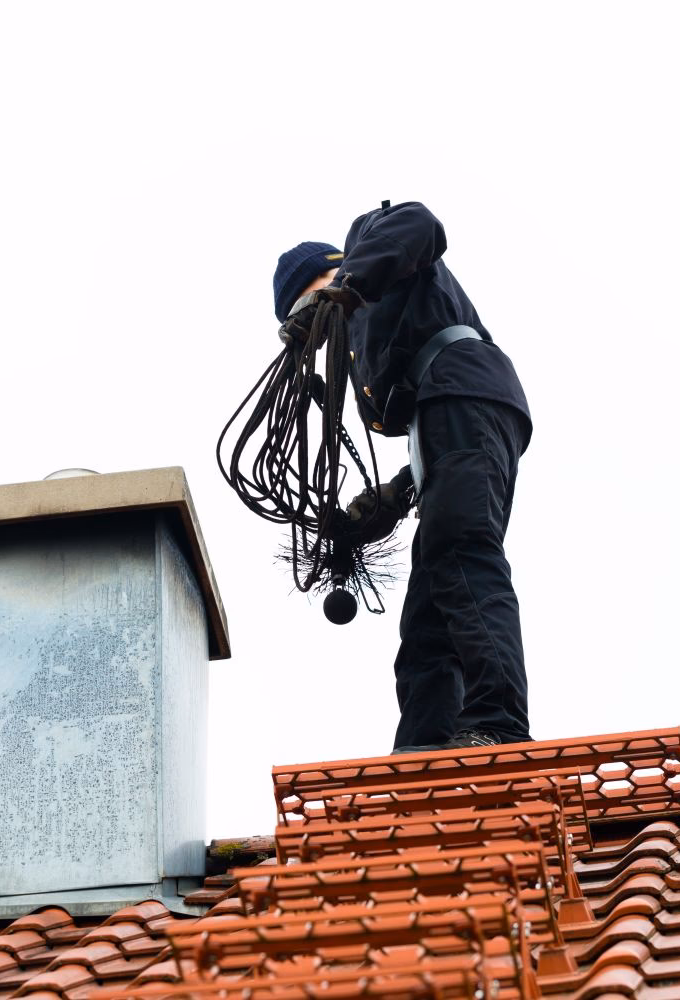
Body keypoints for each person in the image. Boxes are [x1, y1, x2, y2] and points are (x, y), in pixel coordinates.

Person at [272, 201, 532, 752]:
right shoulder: (370, 350)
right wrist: (393, 497)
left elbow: (420, 222)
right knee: (426, 614)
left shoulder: (369, 245)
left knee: (461, 553)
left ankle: (498, 724)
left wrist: (344, 288)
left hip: (465, 388)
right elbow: (431, 431)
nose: (319, 328)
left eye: (307, 306)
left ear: (323, 277)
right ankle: (423, 751)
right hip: (447, 416)